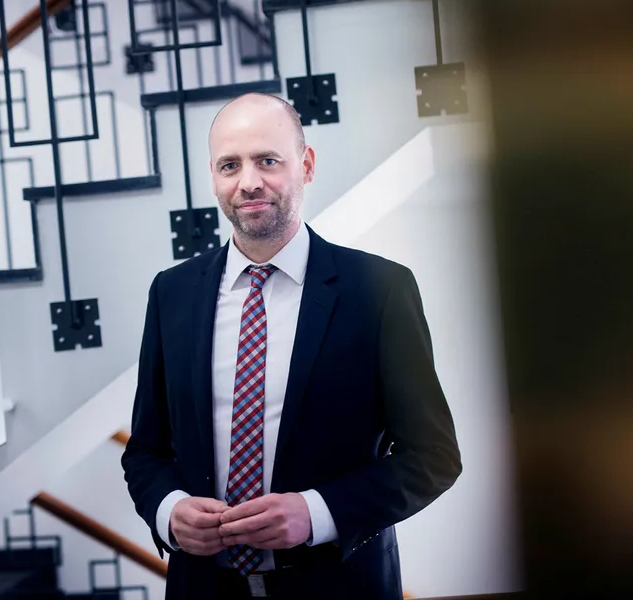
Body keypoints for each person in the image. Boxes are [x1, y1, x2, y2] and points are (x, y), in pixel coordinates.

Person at [121, 92, 461, 600]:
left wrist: (318, 513)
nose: (248, 182)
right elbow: (146, 451)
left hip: (339, 588)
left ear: (306, 165)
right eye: (230, 165)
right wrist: (168, 510)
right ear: (213, 177)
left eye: (268, 161)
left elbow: (434, 456)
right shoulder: (171, 293)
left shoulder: (380, 289)